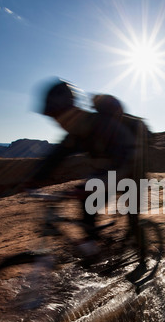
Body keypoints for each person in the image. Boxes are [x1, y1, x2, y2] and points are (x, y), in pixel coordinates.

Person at [29, 79, 150, 270]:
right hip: (110, 172)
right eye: (53, 117)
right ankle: (93, 248)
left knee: (132, 217)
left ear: (69, 109)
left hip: (133, 172)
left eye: (57, 115)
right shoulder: (76, 132)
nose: (57, 122)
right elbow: (56, 156)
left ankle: (143, 258)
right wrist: (33, 179)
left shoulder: (103, 124)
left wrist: (97, 184)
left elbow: (127, 158)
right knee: (86, 199)